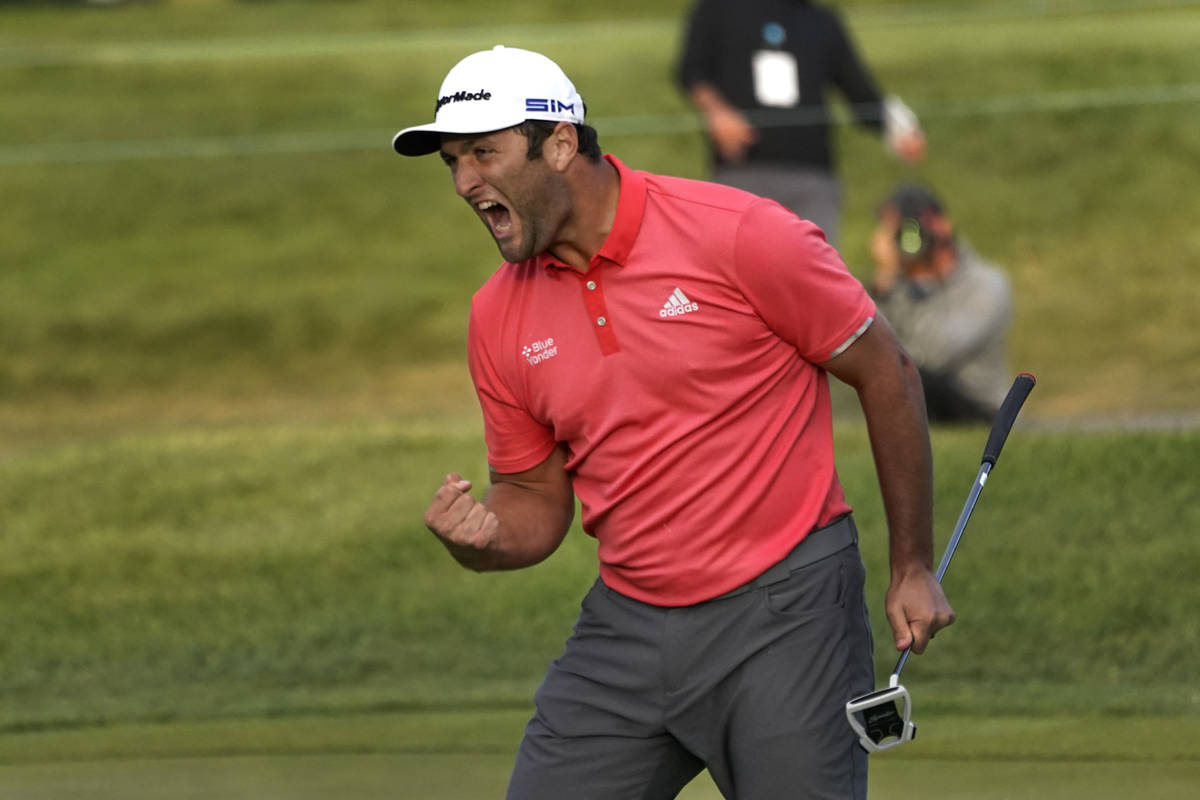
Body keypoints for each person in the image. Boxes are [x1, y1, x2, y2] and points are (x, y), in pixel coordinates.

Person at [395, 45, 954, 800]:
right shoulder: (496, 314)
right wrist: (487, 539)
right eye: (453, 163)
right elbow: (531, 496)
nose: (465, 183)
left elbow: (887, 371)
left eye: (484, 154)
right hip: (627, 628)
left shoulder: (738, 233)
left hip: (785, 614)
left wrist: (912, 564)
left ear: (560, 143)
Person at [677, 0, 926, 245]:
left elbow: (859, 91)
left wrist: (900, 129)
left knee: (814, 272)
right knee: (736, 271)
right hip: (741, 171)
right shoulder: (716, 9)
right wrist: (717, 112)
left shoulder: (823, 21)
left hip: (812, 176)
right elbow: (692, 71)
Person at [868, 183, 1014, 423]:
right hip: (921, 405)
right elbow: (869, 349)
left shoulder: (987, 283)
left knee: (914, 376)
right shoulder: (894, 285)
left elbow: (935, 353)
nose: (906, 240)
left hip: (980, 409)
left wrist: (914, 286)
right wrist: (884, 285)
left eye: (911, 229)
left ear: (941, 224)